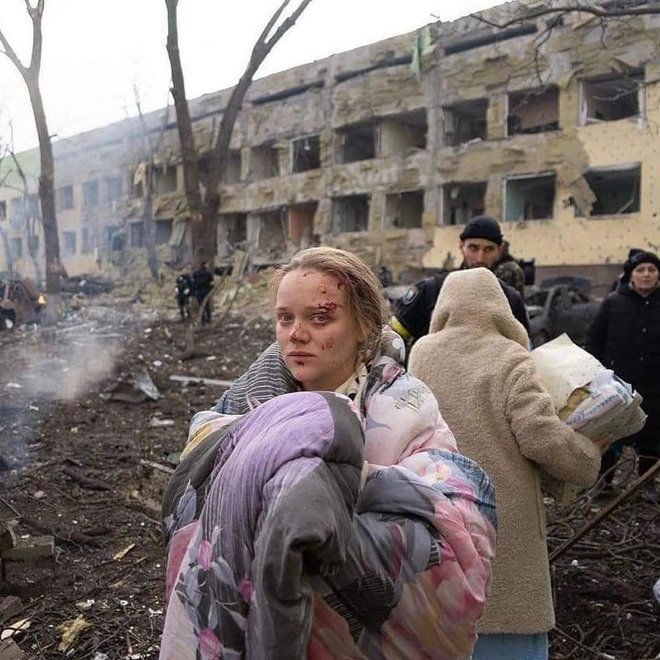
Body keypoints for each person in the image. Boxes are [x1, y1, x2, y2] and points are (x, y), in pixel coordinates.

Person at [160, 247, 497, 659]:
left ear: (364, 325)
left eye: (319, 318)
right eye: (285, 318)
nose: (296, 334)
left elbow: (452, 531)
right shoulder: (243, 407)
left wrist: (323, 490)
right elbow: (192, 500)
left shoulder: (405, 409)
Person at [408, 268, 603, 660]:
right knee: (507, 619)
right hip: (501, 517)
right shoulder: (510, 357)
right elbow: (540, 435)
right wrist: (587, 454)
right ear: (500, 309)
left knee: (444, 611)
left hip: (436, 505)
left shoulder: (421, 353)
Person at [586, 250, 660, 502]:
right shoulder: (613, 303)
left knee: (653, 437)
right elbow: (594, 340)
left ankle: (647, 484)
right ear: (631, 275)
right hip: (619, 384)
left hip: (655, 384)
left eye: (651, 269)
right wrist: (593, 374)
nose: (647, 274)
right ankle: (604, 482)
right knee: (612, 434)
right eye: (641, 270)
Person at [391, 215, 529, 344]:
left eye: (488, 249)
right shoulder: (431, 291)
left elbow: (522, 352)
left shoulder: (510, 300)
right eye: (473, 248)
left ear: (499, 250)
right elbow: (391, 341)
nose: (480, 258)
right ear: (461, 246)